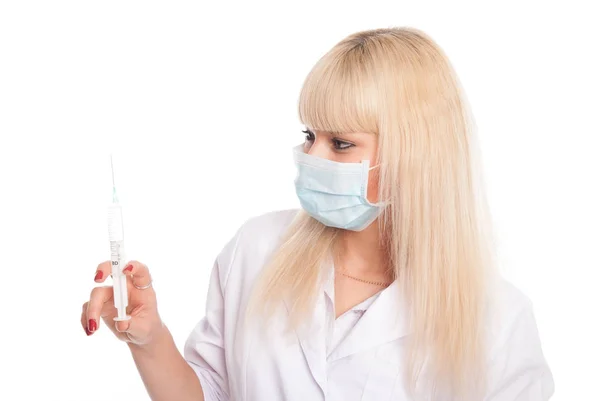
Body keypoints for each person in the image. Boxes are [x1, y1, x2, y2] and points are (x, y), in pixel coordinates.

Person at [81, 27, 554, 401]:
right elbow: (210, 393)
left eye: (341, 143)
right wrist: (148, 337)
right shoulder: (256, 249)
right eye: (310, 135)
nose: (312, 157)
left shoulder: (497, 321)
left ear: (416, 156)